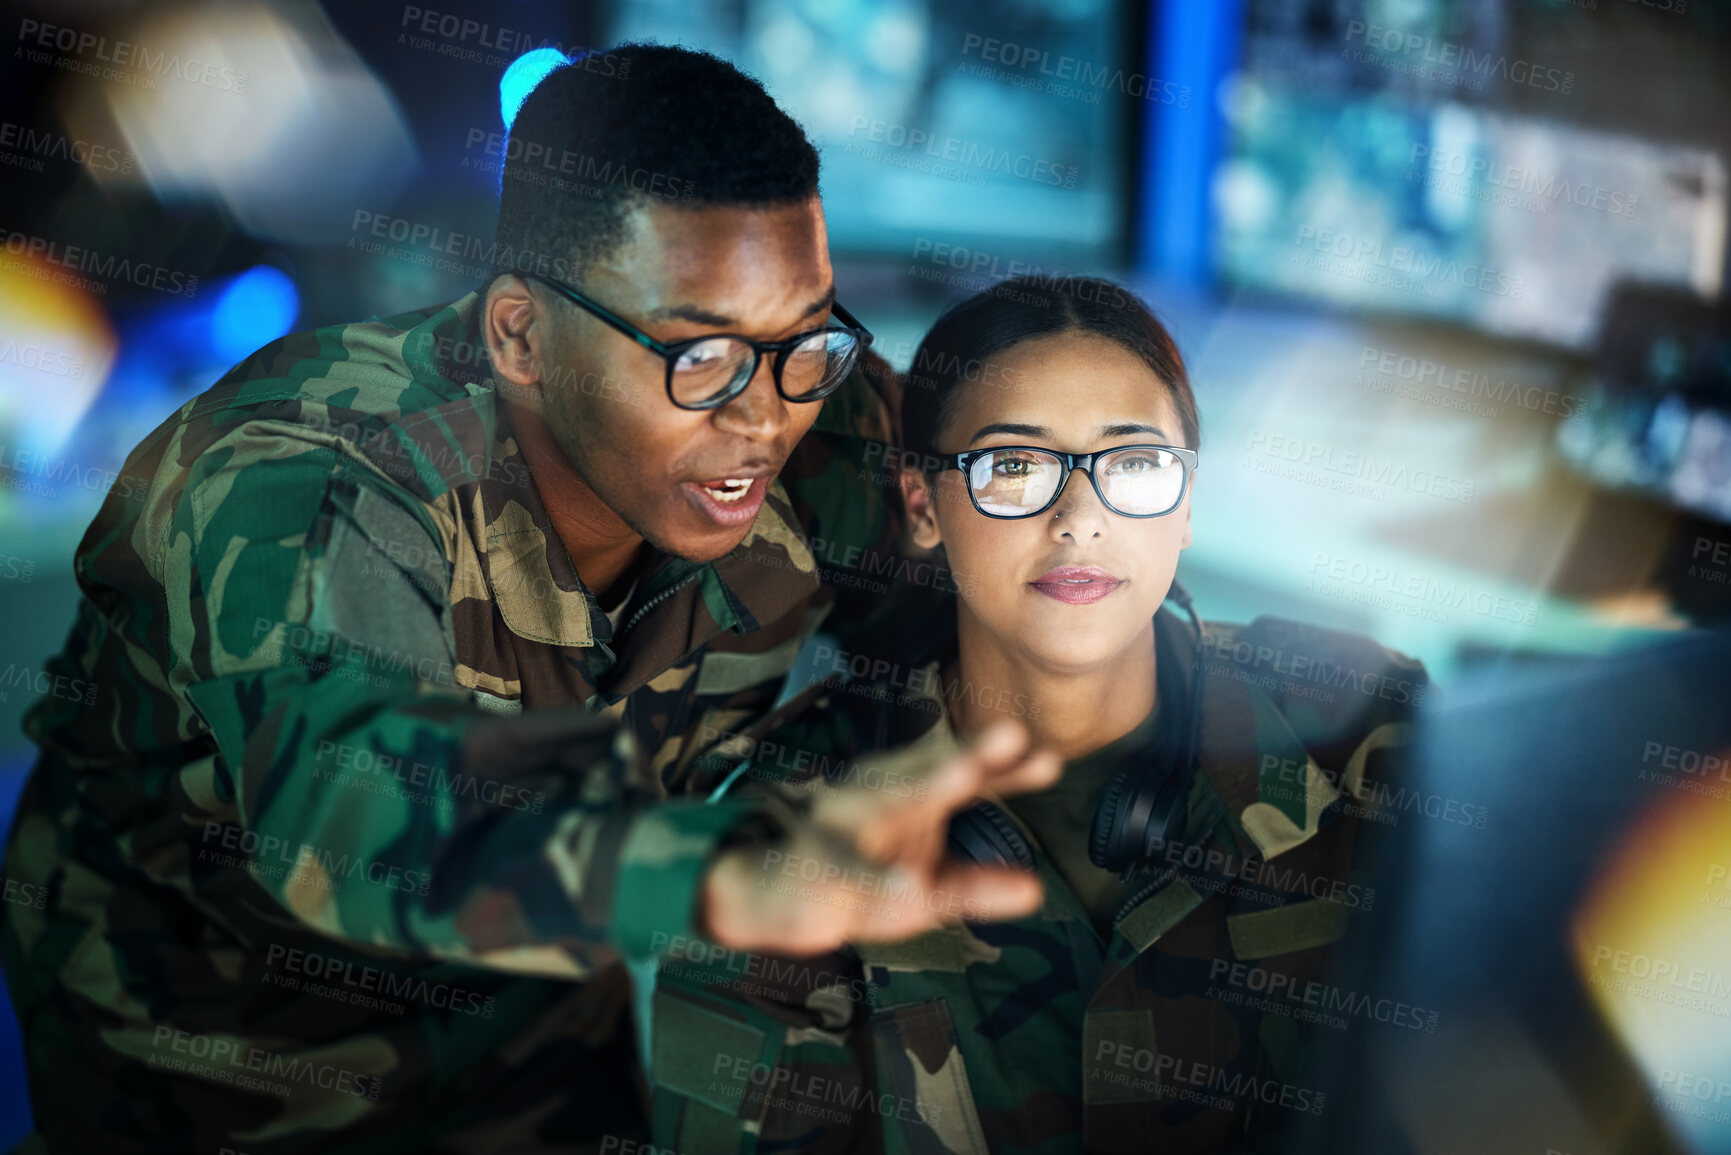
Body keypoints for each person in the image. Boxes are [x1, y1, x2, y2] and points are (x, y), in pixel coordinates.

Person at [0, 47, 1058, 1155]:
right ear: (519, 334)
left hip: (541, 1068)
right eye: (700, 355)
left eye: (804, 337)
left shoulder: (810, 420)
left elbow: (1003, 620)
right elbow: (357, 808)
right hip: (215, 1094)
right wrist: (725, 868)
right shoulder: (300, 476)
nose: (764, 416)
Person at [645, 275, 1429, 1154]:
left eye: (1132, 464)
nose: (1079, 518)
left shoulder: (1368, 731)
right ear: (922, 506)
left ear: (1187, 502)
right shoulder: (791, 838)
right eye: (1012, 466)